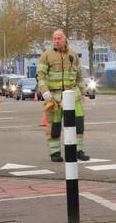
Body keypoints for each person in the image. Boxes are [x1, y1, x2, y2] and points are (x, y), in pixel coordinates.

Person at [37, 30, 90, 162]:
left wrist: (83, 92)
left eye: (59, 38)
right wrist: (45, 92)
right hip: (54, 97)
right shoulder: (46, 56)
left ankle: (78, 150)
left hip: (73, 96)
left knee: (78, 124)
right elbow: (41, 76)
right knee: (54, 127)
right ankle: (55, 152)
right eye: (54, 38)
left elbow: (79, 76)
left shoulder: (73, 55)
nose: (56, 41)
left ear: (65, 39)